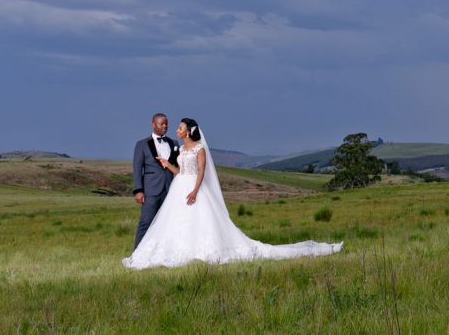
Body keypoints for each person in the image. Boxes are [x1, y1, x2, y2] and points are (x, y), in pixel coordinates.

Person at [123, 118, 342, 269]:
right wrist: (166, 164)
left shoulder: (199, 148)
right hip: (179, 186)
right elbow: (180, 171)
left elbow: (201, 172)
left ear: (189, 131)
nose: (176, 130)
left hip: (191, 188)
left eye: (180, 127)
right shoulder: (179, 149)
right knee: (173, 222)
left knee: (200, 219)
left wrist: (195, 191)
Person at [131, 113, 179, 250]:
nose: (165, 126)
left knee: (167, 223)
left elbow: (177, 165)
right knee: (146, 222)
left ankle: (162, 253)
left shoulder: (173, 143)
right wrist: (138, 190)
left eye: (166, 123)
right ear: (153, 124)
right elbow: (137, 168)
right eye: (161, 124)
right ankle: (137, 254)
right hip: (150, 191)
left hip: (170, 190)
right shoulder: (142, 144)